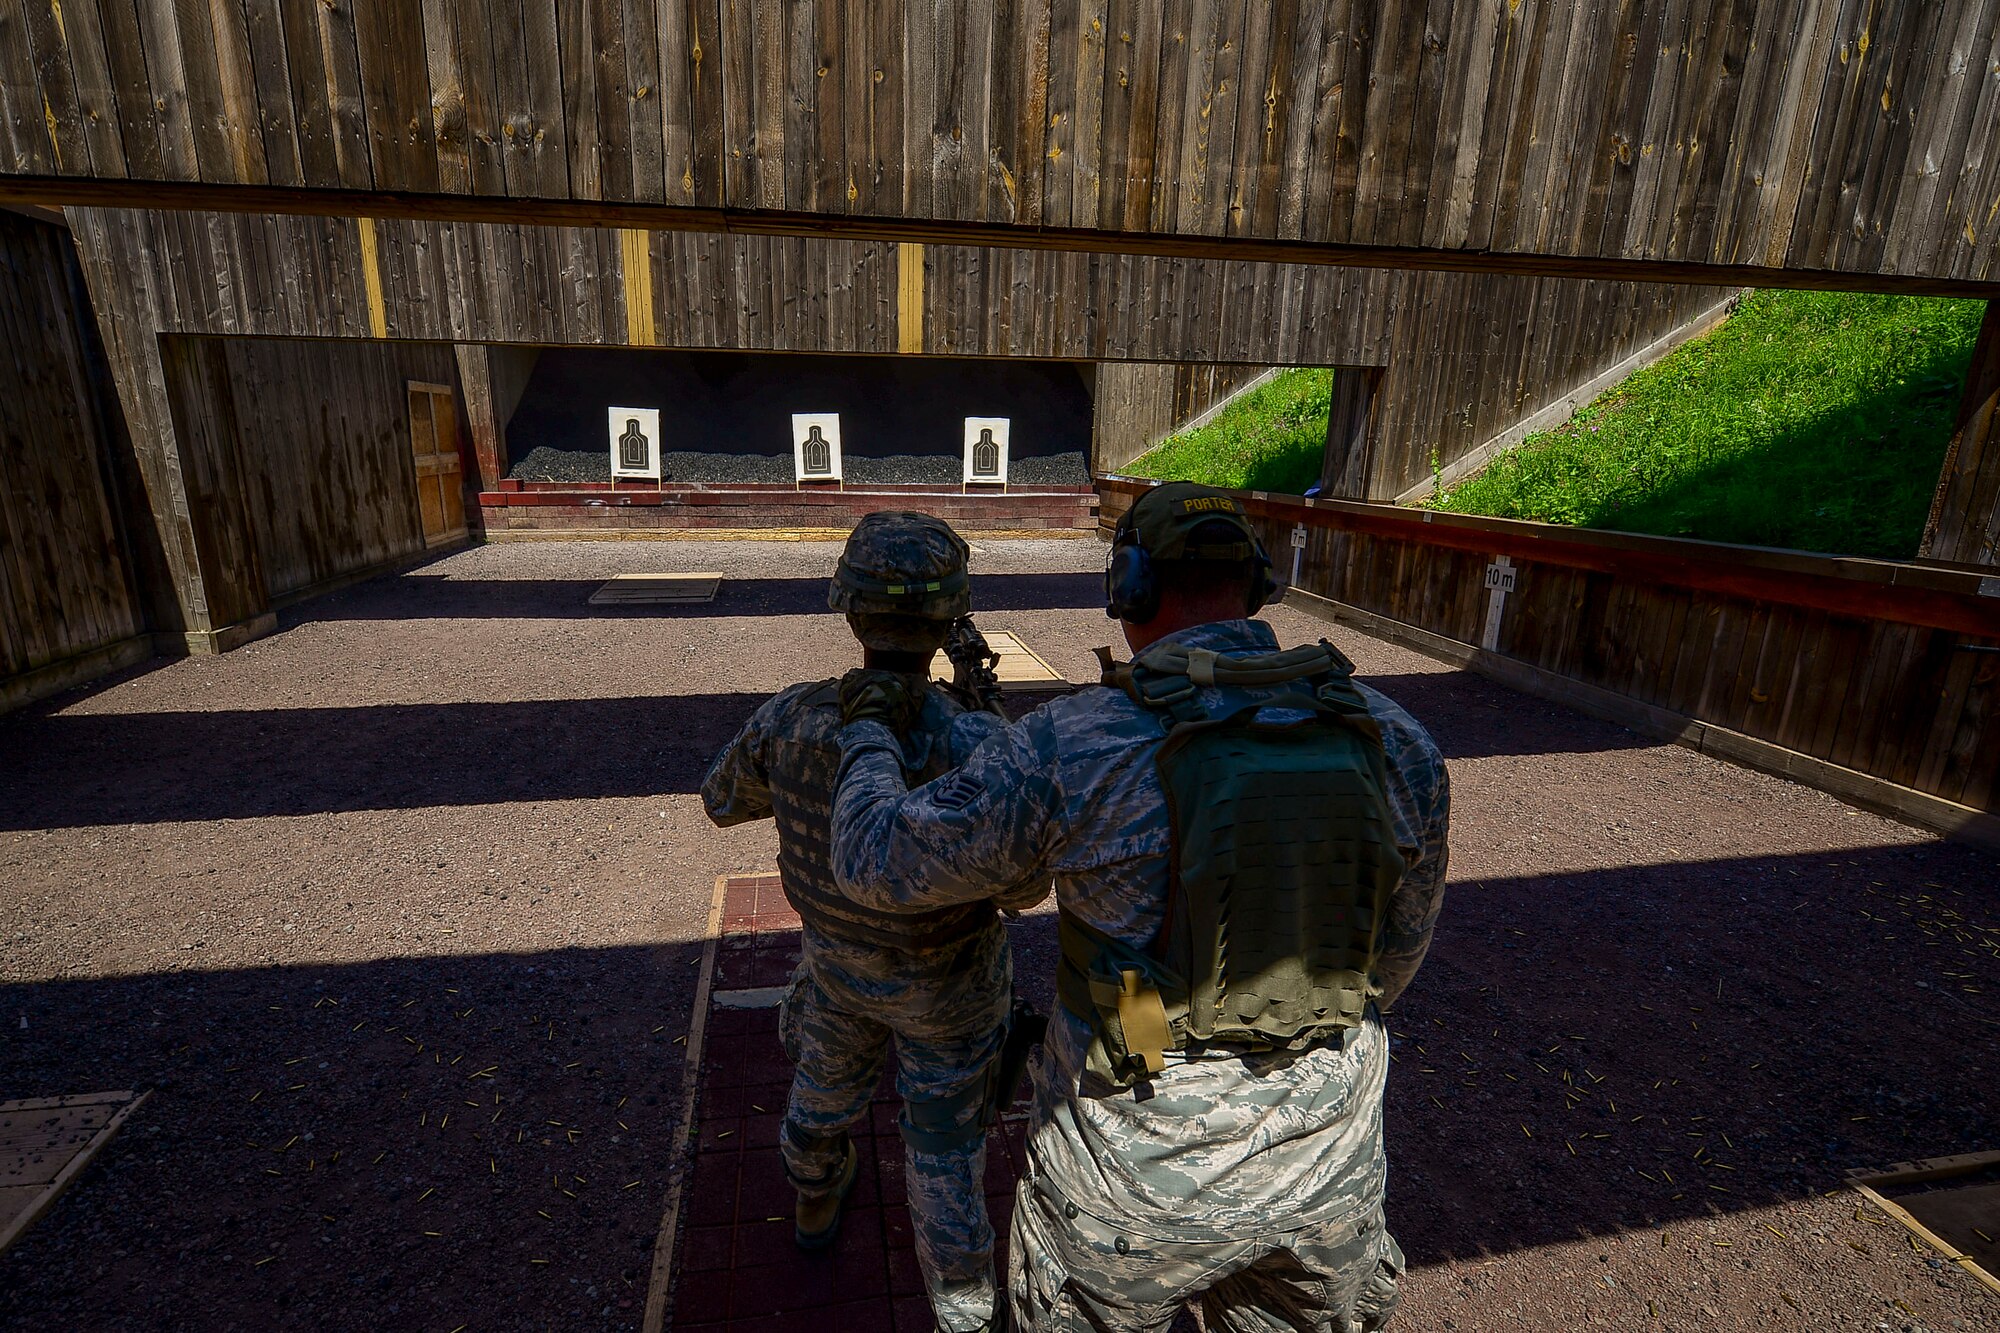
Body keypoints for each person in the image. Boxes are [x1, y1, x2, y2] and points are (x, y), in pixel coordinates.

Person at [828, 481, 1451, 1332]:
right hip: (1328, 1170)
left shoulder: (1071, 743)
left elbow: (874, 859)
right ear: (1260, 584)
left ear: (1129, 588)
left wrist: (867, 730)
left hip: (1130, 1179)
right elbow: (1397, 960)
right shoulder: (1398, 741)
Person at [701, 511, 1029, 1333]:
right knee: (947, 1153)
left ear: (849, 610)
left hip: (839, 970)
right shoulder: (982, 742)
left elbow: (720, 800)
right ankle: (961, 1308)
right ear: (949, 618)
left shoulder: (792, 717)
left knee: (819, 1088)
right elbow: (1026, 887)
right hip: (950, 993)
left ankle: (815, 1192)